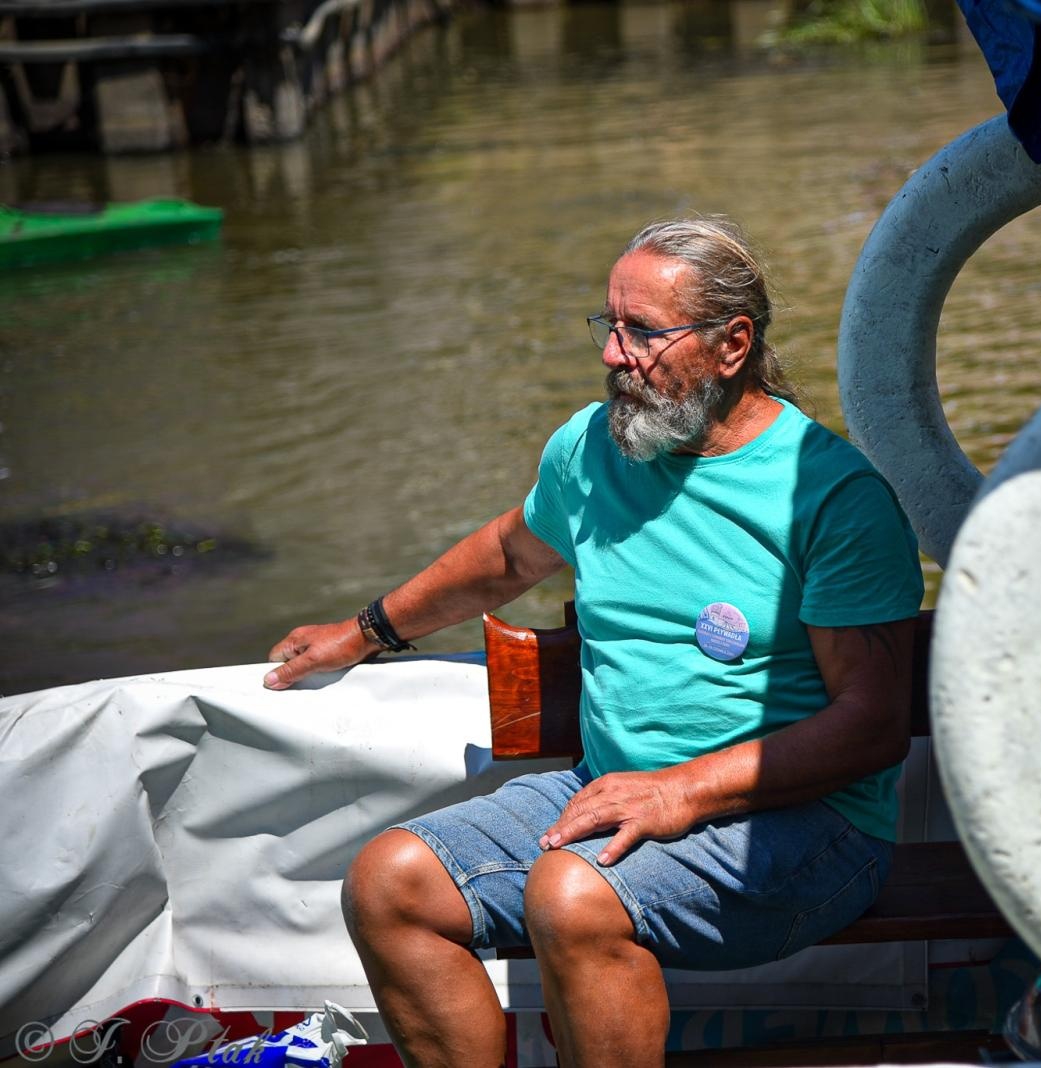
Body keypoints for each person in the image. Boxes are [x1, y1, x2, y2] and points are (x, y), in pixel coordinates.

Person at [262, 217, 925, 1068]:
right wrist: (364, 633)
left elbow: (871, 726)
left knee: (573, 895)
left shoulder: (831, 498)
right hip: (609, 789)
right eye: (609, 327)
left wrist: (678, 792)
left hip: (810, 828)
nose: (615, 355)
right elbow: (508, 554)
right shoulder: (591, 448)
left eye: (643, 332)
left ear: (732, 346)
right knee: (390, 882)